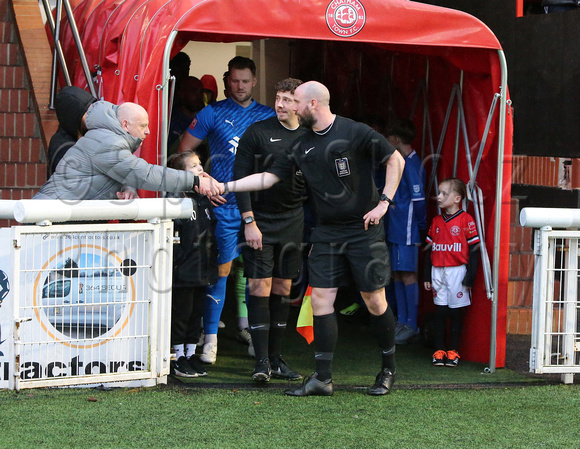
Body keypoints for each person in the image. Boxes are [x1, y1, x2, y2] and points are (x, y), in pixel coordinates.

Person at [225, 81, 405, 396]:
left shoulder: (354, 131)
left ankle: (388, 369)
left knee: (374, 300)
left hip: (364, 230)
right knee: (321, 300)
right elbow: (268, 178)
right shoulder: (301, 144)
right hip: (326, 232)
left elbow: (396, 160)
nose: (290, 108)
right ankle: (322, 378)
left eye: (295, 103)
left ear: (312, 104)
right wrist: (226, 186)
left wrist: (384, 203)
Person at [178, 56, 275, 364]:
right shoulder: (212, 112)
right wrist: (204, 179)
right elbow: (183, 151)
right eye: (234, 80)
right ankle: (210, 339)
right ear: (226, 81)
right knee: (220, 273)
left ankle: (252, 335)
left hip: (259, 209)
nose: (240, 85)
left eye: (245, 80)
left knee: (256, 274)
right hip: (222, 208)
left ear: (254, 82)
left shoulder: (269, 116)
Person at [233, 78, 306, 382]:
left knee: (282, 290)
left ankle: (276, 360)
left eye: (287, 100)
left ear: (301, 104)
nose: (280, 105)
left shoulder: (311, 136)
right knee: (257, 287)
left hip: (293, 221)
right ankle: (261, 362)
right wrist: (249, 221)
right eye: (278, 98)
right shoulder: (258, 132)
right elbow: (240, 177)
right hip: (259, 220)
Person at [34, 101, 221, 200]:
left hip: (59, 218)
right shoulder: (108, 143)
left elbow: (118, 171)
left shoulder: (108, 136)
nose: (147, 131)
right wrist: (194, 180)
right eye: (143, 126)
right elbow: (143, 173)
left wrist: (127, 186)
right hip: (48, 220)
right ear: (125, 125)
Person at [167, 151, 218, 378]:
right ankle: (177, 357)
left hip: (202, 269)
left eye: (200, 165)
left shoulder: (203, 198)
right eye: (194, 166)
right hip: (183, 271)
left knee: (196, 314)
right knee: (181, 314)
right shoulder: (176, 198)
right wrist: (178, 264)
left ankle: (190, 354)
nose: (200, 169)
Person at [423, 178, 480, 368]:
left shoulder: (466, 220)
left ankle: (453, 350)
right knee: (439, 311)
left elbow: (474, 250)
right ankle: (438, 350)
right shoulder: (437, 221)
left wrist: (470, 276)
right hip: (438, 271)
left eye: (444, 193)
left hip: (457, 271)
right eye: (438, 192)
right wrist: (426, 274)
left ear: (457, 198)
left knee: (456, 313)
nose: (438, 197)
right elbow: (429, 249)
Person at [384, 119, 427, 345]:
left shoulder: (411, 164)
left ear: (396, 139)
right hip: (397, 227)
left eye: (389, 139)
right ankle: (402, 321)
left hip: (407, 230)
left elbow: (418, 199)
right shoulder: (401, 161)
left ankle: (411, 325)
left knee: (408, 274)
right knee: (397, 274)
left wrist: (421, 226)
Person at [47, 86, 97, 176]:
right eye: (87, 113)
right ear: (74, 116)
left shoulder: (77, 136)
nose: (92, 116)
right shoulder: (65, 150)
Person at [168, 76, 206, 154]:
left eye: (201, 92)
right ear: (181, 93)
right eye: (193, 91)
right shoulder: (169, 122)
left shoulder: (205, 120)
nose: (198, 96)